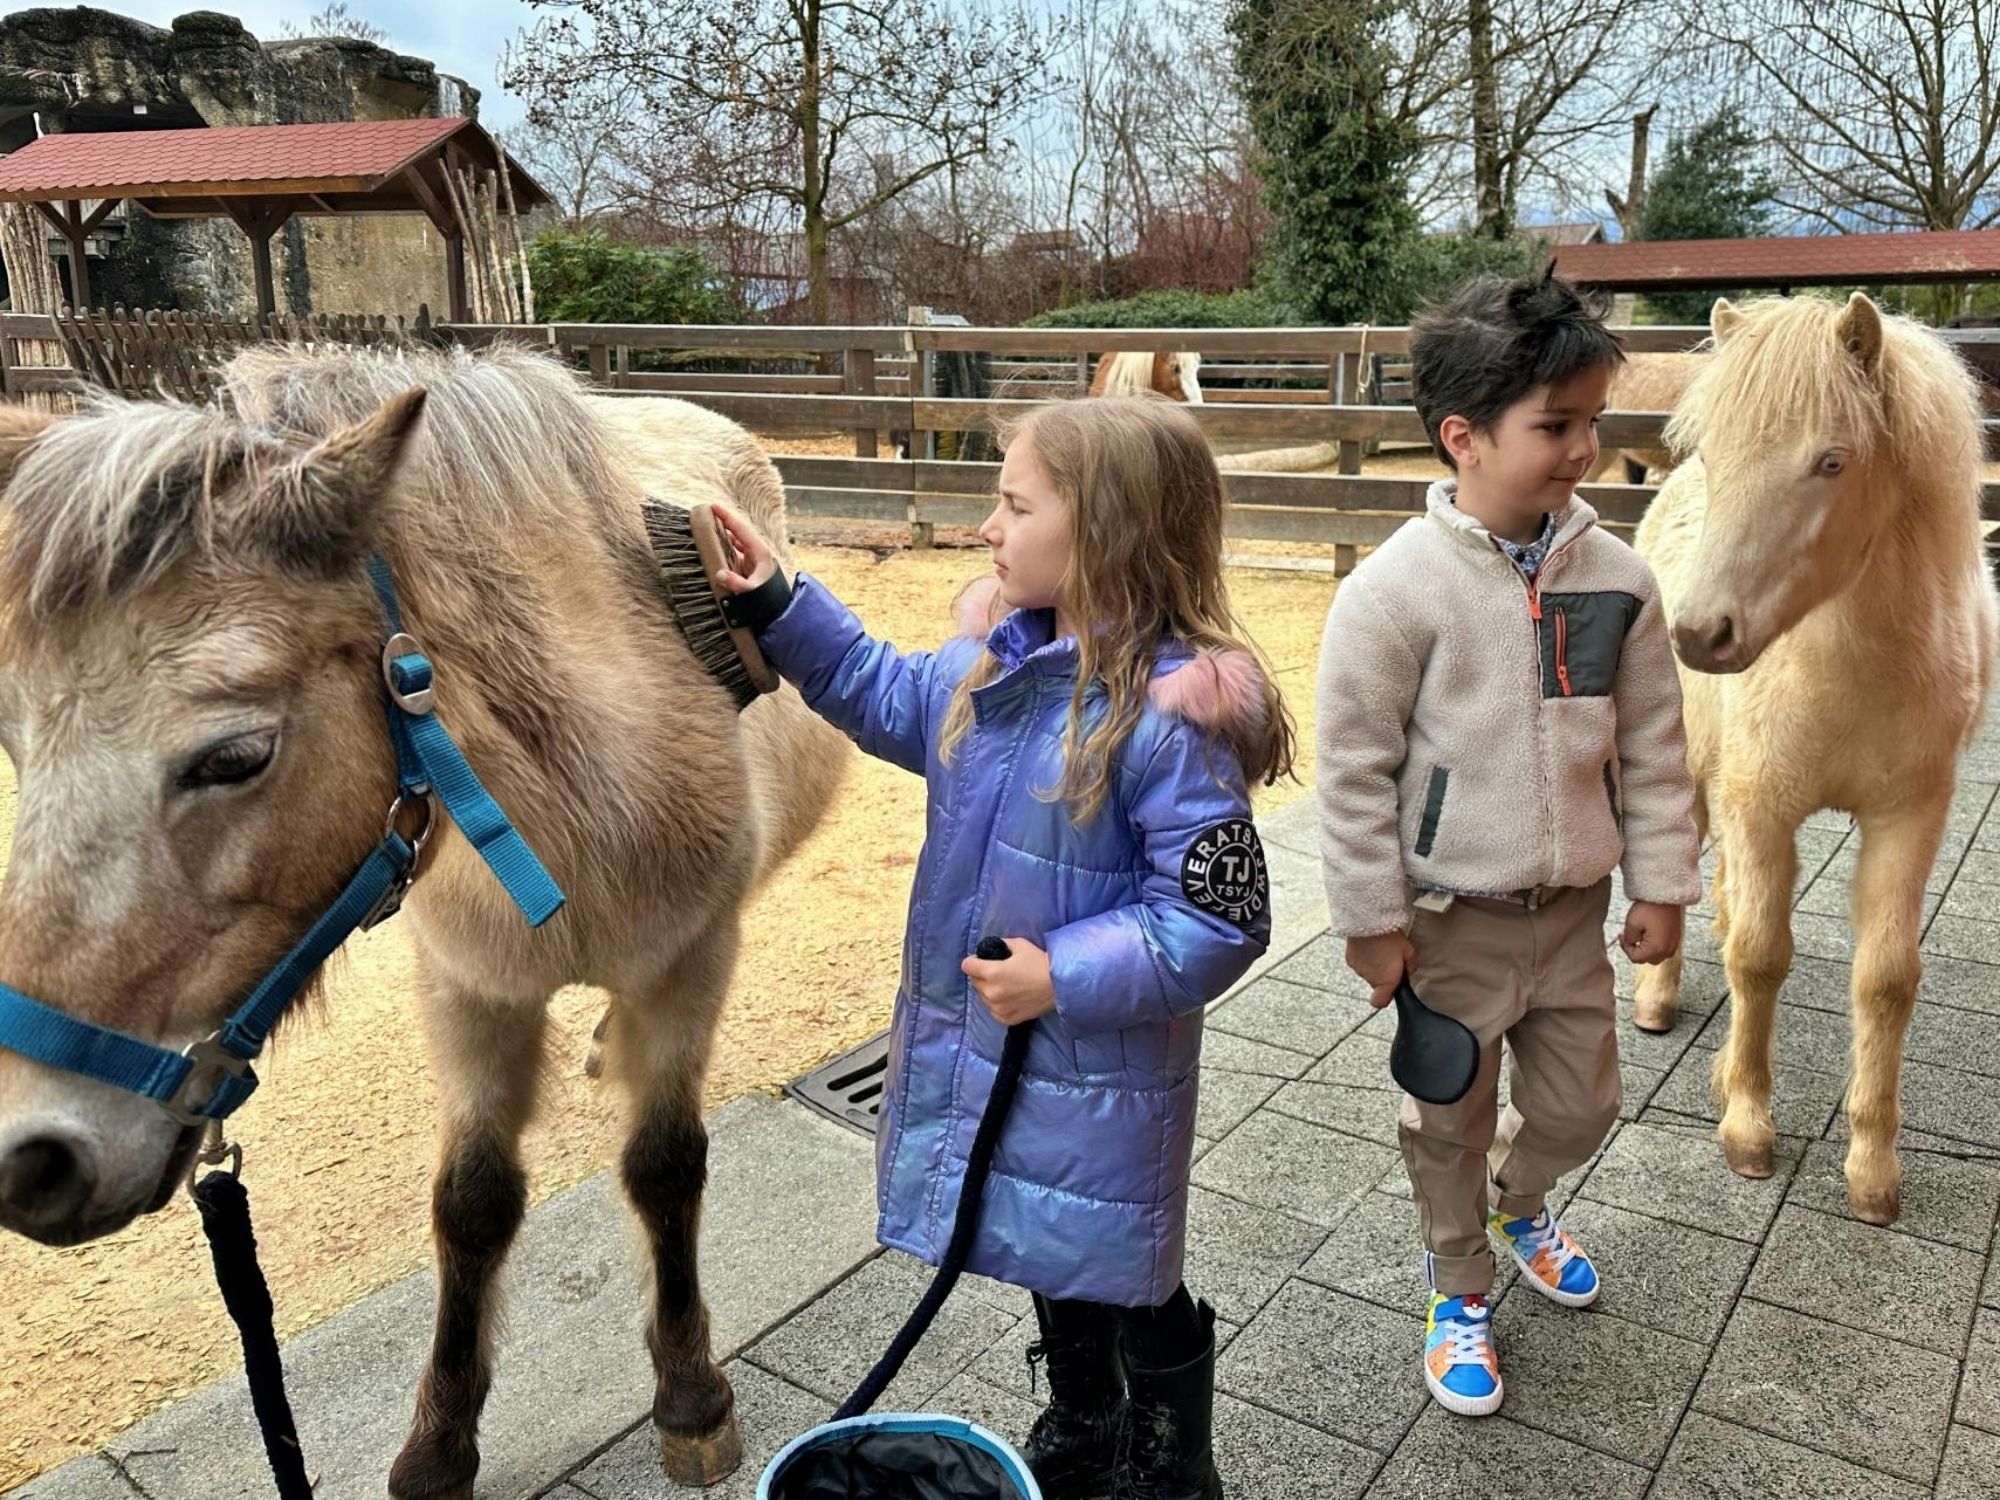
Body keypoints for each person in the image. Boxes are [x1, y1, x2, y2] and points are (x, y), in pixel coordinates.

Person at [710, 395, 1294, 1498]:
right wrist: (781, 604)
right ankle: (1081, 1418)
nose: (988, 526)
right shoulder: (996, 669)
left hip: (1094, 1068)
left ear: (1106, 532)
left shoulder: (1171, 720)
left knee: (1120, 1263)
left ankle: (1171, 1456)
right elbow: (884, 691)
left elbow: (1218, 917)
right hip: (1013, 1055)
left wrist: (1059, 975)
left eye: (1014, 504)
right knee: (1041, 1239)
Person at [1314, 267, 1701, 1418]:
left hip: (1575, 915)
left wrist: (1664, 883)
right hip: (1451, 924)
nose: (1583, 449)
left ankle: (1518, 1201)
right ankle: (1456, 1281)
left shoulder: (1619, 584)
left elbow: (1654, 749)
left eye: (1591, 422)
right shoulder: (1391, 596)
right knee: (1446, 1116)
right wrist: (1372, 926)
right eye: (1554, 426)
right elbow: (1350, 772)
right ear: (1461, 437)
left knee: (1585, 1108)